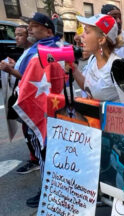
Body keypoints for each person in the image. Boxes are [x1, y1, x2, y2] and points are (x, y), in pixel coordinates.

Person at [12, 12, 61, 208]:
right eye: (29, 25)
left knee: (45, 150)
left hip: (46, 109)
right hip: (38, 105)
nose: (29, 29)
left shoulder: (57, 48)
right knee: (42, 149)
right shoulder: (36, 48)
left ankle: (48, 189)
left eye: (34, 25)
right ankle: (49, 187)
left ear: (48, 29)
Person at [70, 14, 124, 103]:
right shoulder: (93, 59)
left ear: (101, 40)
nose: (82, 35)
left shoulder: (117, 68)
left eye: (87, 32)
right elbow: (88, 88)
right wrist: (73, 68)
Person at [0, 25, 39, 175]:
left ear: (28, 37)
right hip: (24, 96)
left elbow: (30, 79)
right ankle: (34, 157)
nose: (16, 37)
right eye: (16, 34)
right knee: (27, 130)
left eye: (20, 35)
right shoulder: (27, 52)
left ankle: (36, 160)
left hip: (30, 98)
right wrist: (14, 65)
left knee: (31, 131)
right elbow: (24, 71)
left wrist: (10, 70)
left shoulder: (33, 53)